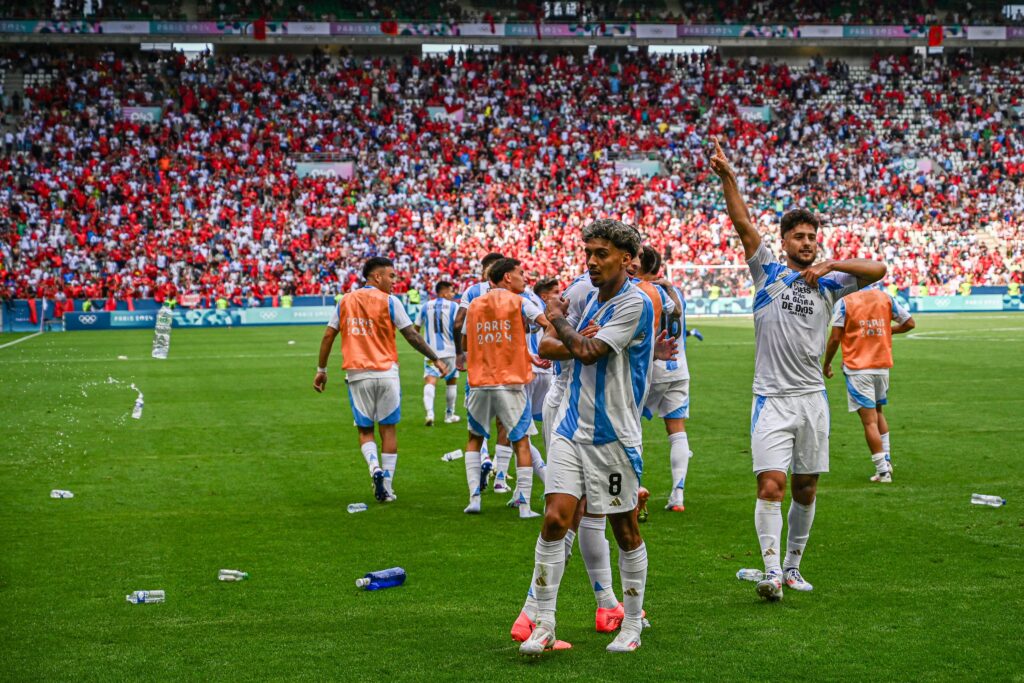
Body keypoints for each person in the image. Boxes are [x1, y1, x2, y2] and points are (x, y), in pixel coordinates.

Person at [709, 137, 886, 601]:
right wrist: (728, 177)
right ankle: (769, 572)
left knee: (805, 488)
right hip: (771, 397)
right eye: (799, 237)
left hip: (812, 399)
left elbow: (879, 268)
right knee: (772, 483)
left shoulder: (829, 283)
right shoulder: (767, 270)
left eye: (812, 238)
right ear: (784, 241)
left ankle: (791, 567)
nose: (806, 243)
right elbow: (742, 222)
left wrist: (832, 261)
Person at [518, 219, 674, 655]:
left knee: (624, 529)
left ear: (627, 259)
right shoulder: (587, 298)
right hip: (570, 425)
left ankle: (632, 623)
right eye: (588, 251)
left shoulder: (635, 304)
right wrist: (568, 330)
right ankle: (544, 624)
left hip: (614, 435)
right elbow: (556, 347)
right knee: (555, 518)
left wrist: (557, 320)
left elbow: (586, 351)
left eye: (601, 253)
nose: (592, 260)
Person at [314, 257, 449, 503]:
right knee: (388, 429)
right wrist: (436, 359)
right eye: (391, 276)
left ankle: (373, 466)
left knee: (365, 430)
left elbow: (327, 336)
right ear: (377, 277)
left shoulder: (345, 300)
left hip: (357, 374)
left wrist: (321, 369)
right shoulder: (390, 301)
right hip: (387, 373)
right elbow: (412, 336)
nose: (394, 282)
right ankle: (387, 486)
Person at [461, 258, 549, 517]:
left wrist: (523, 353)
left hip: (479, 381)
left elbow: (471, 341)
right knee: (520, 440)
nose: (525, 278)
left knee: (475, 439)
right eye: (521, 273)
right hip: (510, 382)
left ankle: (474, 499)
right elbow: (545, 322)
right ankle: (524, 506)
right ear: (507, 277)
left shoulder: (475, 305)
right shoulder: (520, 302)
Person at [822, 286, 915, 482]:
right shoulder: (884, 297)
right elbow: (909, 323)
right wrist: (886, 331)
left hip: (859, 369)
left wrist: (827, 363)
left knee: (869, 421)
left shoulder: (846, 301)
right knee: (879, 412)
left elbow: (836, 337)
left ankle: (882, 471)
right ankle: (887, 460)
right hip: (881, 366)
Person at [637, 245, 694, 512]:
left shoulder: (640, 291)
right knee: (677, 429)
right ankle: (678, 494)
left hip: (648, 367)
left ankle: (632, 488)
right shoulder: (674, 292)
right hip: (678, 368)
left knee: (629, 425)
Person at [454, 251, 507, 489]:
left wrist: (460, 353)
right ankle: (501, 478)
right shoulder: (512, 292)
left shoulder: (473, 291)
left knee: (477, 424)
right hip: (508, 367)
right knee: (505, 424)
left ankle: (484, 459)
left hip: (478, 367)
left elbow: (458, 322)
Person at [415, 281, 461, 426]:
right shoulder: (454, 306)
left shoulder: (425, 306)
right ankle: (449, 415)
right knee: (451, 382)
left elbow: (415, 330)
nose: (452, 294)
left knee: (430, 381)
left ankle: (430, 414)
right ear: (443, 292)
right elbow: (459, 327)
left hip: (431, 352)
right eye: (451, 291)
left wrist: (423, 345)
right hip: (451, 351)